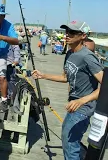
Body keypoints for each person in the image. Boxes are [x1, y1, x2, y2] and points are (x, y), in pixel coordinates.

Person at [32, 21, 104, 160]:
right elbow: (65, 77)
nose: (67, 35)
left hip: (84, 107)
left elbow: (106, 86)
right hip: (72, 105)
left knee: (69, 141)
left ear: (83, 35)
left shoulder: (87, 56)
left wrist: (82, 100)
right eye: (67, 32)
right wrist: (43, 75)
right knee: (69, 139)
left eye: (72, 32)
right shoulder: (70, 53)